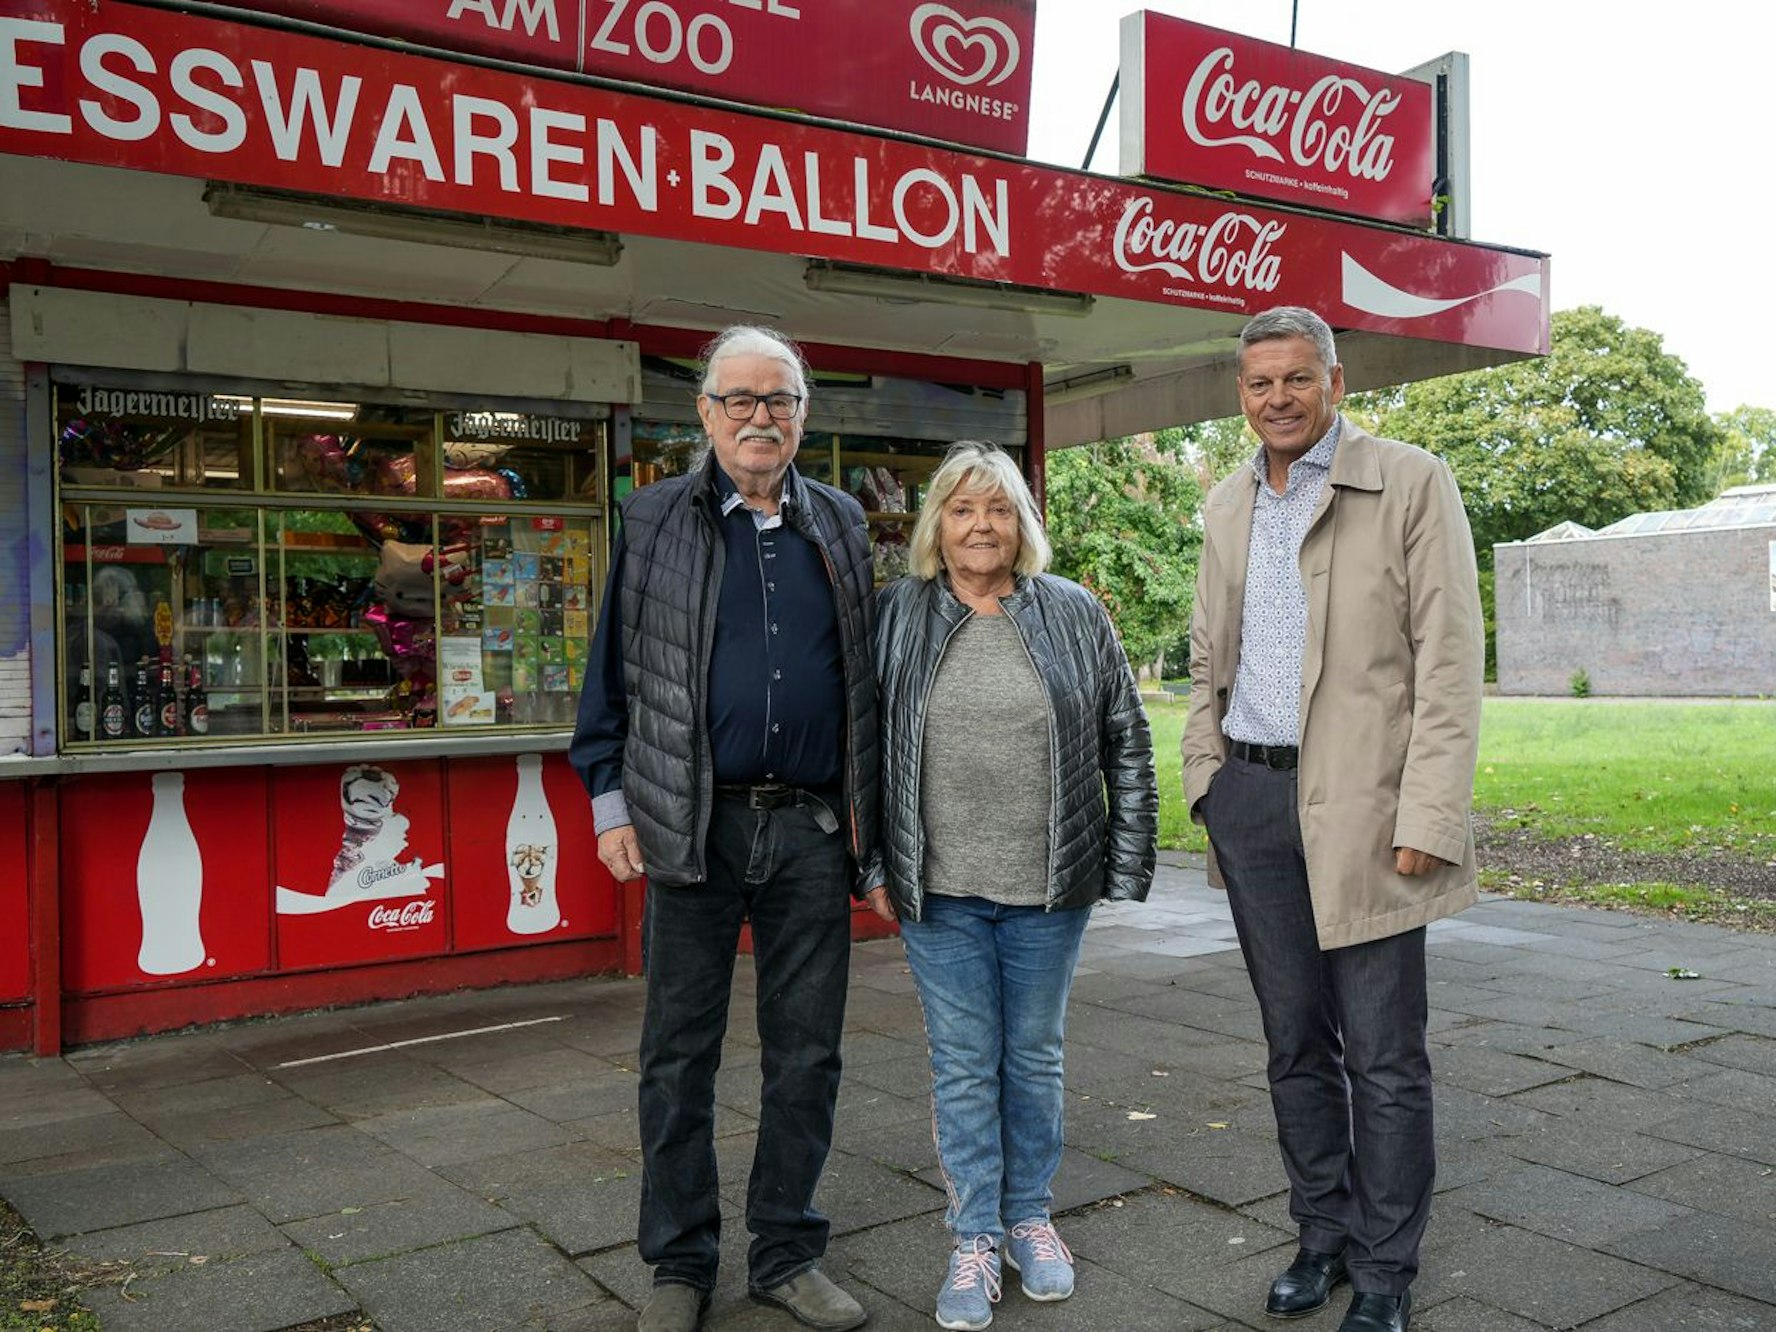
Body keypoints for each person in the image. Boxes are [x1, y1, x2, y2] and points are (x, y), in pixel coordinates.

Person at [570, 325, 879, 1332]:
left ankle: (787, 1252)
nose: (760, 416)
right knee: (678, 1056)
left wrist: (871, 833)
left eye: (779, 399)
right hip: (691, 827)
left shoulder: (838, 522)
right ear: (704, 414)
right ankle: (680, 1262)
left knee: (807, 1054)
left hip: (808, 833)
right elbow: (610, 671)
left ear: (803, 414)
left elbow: (868, 687)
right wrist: (610, 798)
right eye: (739, 399)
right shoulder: (655, 517)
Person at [1181, 307, 1483, 1332]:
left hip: (1368, 805)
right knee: (1291, 1046)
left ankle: (1387, 1269)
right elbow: (1204, 657)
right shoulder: (1226, 504)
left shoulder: (1410, 480)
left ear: (1337, 383)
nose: (1277, 398)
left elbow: (1449, 661)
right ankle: (1322, 1236)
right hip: (1254, 802)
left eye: (1296, 380)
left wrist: (1431, 810)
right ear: (1241, 393)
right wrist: (1205, 782)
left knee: (1385, 1055)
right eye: (1259, 383)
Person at [870, 440, 1157, 1331]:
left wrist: (1127, 858)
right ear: (937, 527)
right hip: (941, 889)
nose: (980, 526)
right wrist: (875, 861)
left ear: (1022, 523)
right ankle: (973, 1237)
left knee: (1032, 1058)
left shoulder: (1073, 612)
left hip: (1048, 885)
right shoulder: (897, 615)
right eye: (962, 510)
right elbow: (863, 748)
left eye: (998, 509)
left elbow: (1126, 736)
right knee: (963, 1066)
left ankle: (1031, 1219)